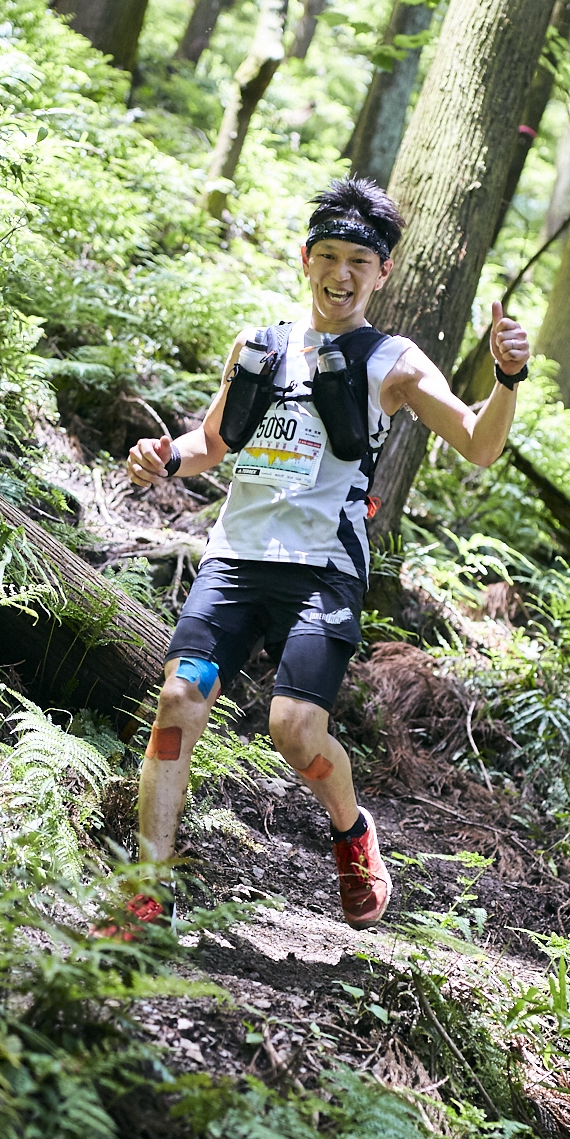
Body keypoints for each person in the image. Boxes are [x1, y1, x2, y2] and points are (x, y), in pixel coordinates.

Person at [119, 177, 532, 931]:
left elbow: (479, 444)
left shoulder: (394, 363)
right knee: (179, 701)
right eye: (329, 257)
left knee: (295, 729)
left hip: (323, 571)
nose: (341, 275)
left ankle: (351, 829)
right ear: (306, 259)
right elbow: (214, 442)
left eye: (359, 262)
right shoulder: (259, 346)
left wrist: (507, 379)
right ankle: (145, 889)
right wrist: (164, 457)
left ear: (384, 272)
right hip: (237, 559)